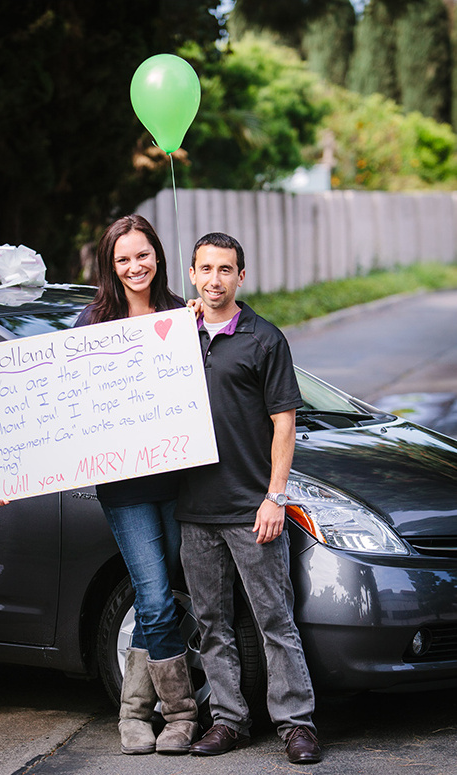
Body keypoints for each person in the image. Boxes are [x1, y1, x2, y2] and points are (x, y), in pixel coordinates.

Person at [176, 232, 321, 764]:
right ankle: (229, 721)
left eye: (225, 270)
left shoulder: (265, 339)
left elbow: (285, 424)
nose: (215, 280)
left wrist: (275, 497)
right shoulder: (173, 336)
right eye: (205, 269)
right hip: (194, 510)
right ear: (192, 274)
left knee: (274, 620)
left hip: (251, 508)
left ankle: (296, 725)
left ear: (242, 276)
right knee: (212, 623)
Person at [74, 214, 198, 756]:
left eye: (142, 254)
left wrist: (201, 324)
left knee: (163, 590)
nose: (134, 266)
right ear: (110, 265)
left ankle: (134, 708)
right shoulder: (91, 324)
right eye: (123, 259)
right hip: (123, 485)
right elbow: (66, 407)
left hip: (179, 475)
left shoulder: (180, 314)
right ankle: (172, 715)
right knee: (152, 593)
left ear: (157, 255)